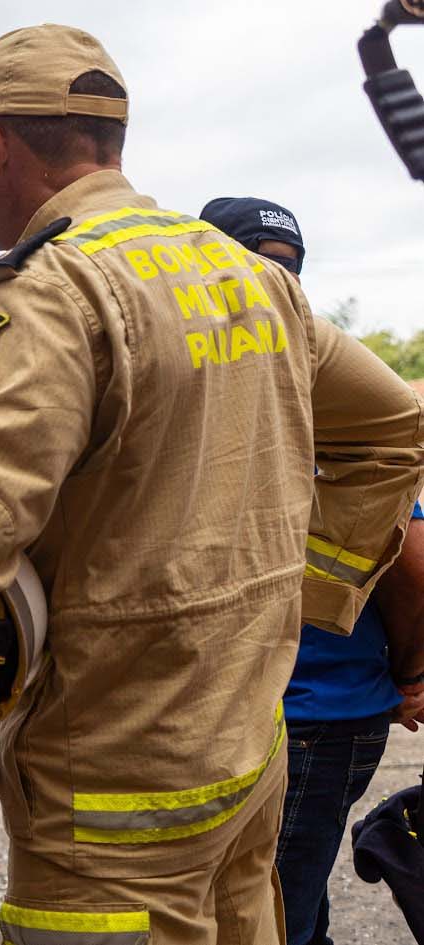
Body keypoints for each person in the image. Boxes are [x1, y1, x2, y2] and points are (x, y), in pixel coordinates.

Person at [0, 25, 424, 945]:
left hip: (110, 793)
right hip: (246, 760)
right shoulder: (252, 278)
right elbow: (393, 428)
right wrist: (305, 587)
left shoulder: (51, 291)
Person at [201, 196, 424, 945]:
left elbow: (414, 558)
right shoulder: (241, 383)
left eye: (284, 271)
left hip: (314, 713)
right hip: (285, 706)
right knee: (284, 901)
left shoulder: (324, 385)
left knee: (272, 913)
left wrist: (408, 668)